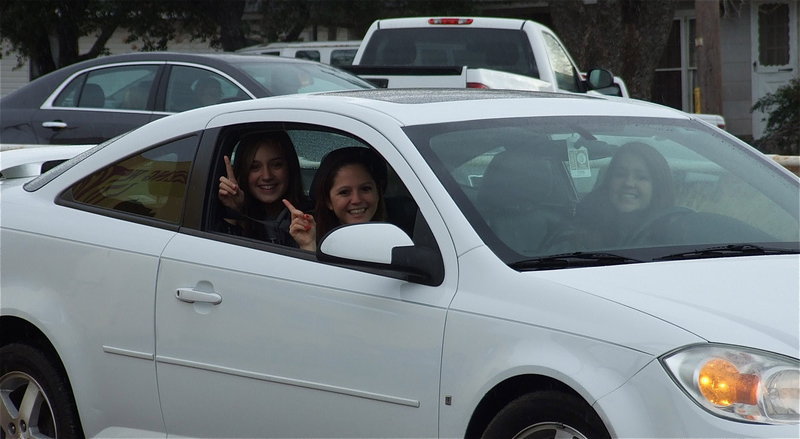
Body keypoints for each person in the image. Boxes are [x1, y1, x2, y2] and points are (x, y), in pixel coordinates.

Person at [547, 141, 675, 250]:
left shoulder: (680, 234)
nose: (629, 183)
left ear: (659, 186)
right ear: (608, 181)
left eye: (641, 177)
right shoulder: (577, 234)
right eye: (620, 174)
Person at [283, 147, 387, 251]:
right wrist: (308, 245)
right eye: (344, 192)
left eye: (365, 189)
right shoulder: (315, 241)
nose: (357, 200)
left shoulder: (398, 238)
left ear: (378, 192)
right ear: (328, 201)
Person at [217, 132, 308, 245]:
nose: (267, 176)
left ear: (290, 167)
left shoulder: (313, 216)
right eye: (254, 167)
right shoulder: (228, 221)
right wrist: (234, 212)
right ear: (243, 172)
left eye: (276, 165)